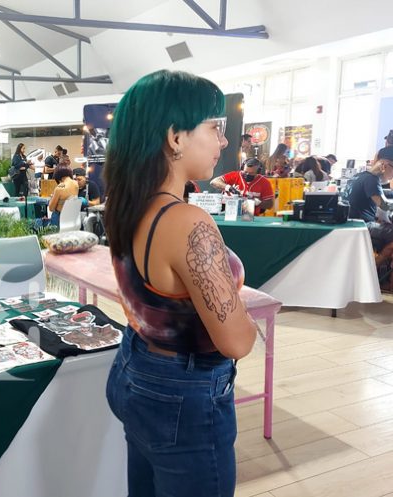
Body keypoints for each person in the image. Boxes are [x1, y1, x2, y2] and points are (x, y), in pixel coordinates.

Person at [104, 69, 256, 497]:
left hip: (136, 368)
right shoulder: (187, 221)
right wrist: (248, 323)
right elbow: (236, 342)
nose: (224, 142)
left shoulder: (125, 203)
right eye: (214, 128)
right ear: (175, 137)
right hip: (183, 391)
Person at [342, 146, 393, 256]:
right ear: (384, 166)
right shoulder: (372, 179)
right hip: (361, 224)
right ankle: (373, 268)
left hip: (350, 222)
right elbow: (385, 206)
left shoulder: (359, 176)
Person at [210, 157, 274, 214]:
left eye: (251, 173)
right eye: (245, 172)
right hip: (227, 212)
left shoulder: (265, 182)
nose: (247, 174)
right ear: (242, 168)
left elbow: (270, 205)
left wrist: (255, 201)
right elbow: (214, 182)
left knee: (247, 218)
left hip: (250, 214)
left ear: (258, 172)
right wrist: (229, 188)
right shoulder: (234, 175)